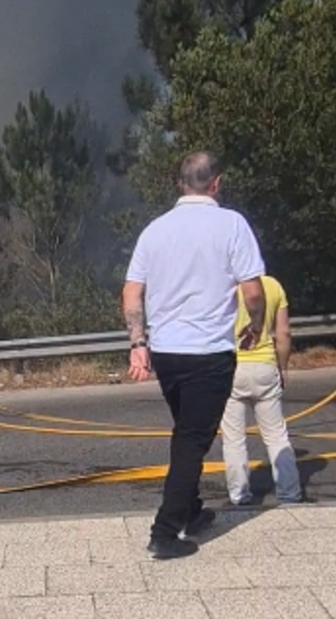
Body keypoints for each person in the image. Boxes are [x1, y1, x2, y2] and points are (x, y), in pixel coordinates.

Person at [123, 152, 267, 560]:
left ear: (179, 184)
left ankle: (192, 508)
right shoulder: (231, 224)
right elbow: (253, 292)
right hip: (209, 352)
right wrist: (255, 325)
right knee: (192, 440)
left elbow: (132, 293)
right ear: (216, 184)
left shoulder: (154, 231)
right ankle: (165, 531)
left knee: (187, 430)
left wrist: (139, 344)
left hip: (167, 352)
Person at [221, 275, 302, 505]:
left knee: (234, 439)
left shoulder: (226, 286)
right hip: (266, 365)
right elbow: (284, 333)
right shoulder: (274, 285)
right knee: (276, 435)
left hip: (232, 367)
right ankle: (290, 494)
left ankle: (240, 496)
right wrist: (283, 367)